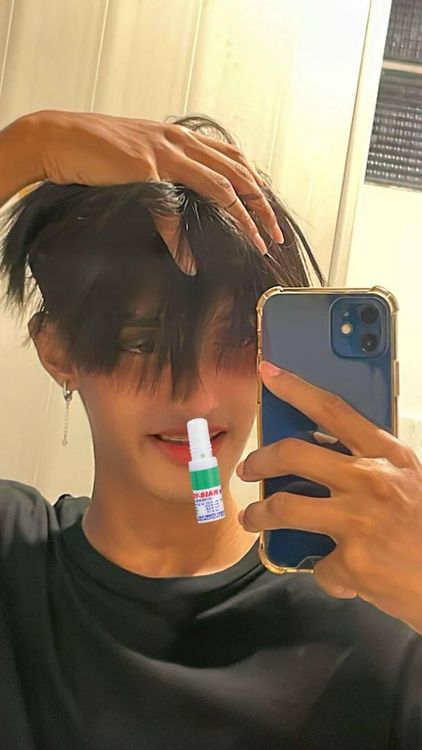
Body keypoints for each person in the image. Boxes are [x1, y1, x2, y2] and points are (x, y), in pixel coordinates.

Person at [0, 109, 421, 750]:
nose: (195, 399)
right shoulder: (13, 564)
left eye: (234, 340)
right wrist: (31, 146)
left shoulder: (376, 623)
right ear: (57, 351)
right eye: (141, 342)